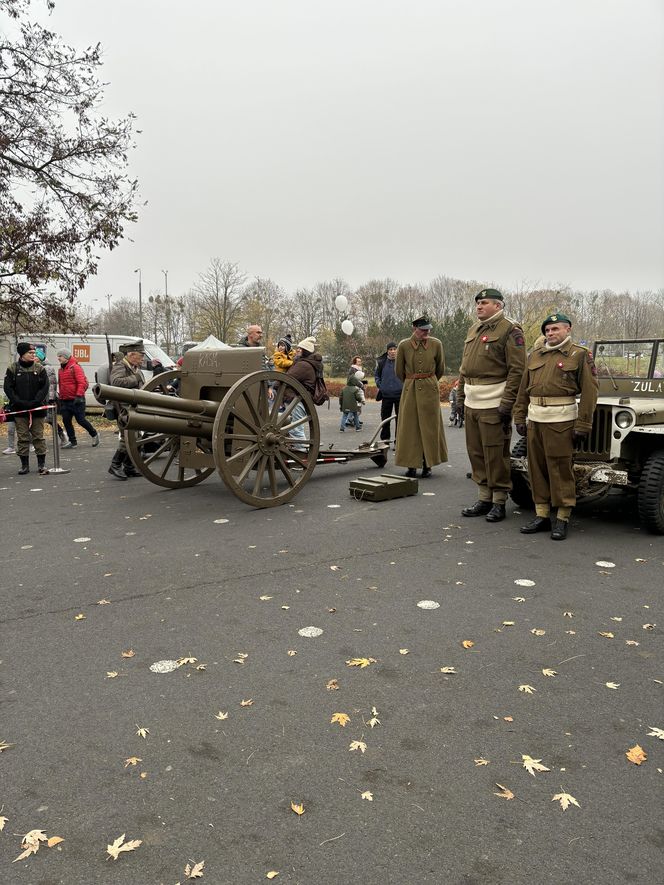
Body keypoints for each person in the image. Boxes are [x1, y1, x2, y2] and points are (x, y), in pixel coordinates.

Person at [513, 313, 599, 541]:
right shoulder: (535, 356)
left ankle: (562, 518)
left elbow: (590, 392)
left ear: (568, 329)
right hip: (536, 420)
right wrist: (519, 416)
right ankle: (541, 515)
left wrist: (583, 423)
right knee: (536, 468)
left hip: (561, 421)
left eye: (555, 329)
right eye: (548, 330)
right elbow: (524, 389)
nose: (551, 334)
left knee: (560, 469)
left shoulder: (579, 355)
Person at [458, 288, 526, 522]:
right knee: (476, 452)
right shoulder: (474, 329)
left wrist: (508, 403)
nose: (478, 306)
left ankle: (498, 501)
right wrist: (460, 398)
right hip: (472, 402)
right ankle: (484, 498)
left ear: (498, 306)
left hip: (494, 402)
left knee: (495, 453)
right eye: (477, 302)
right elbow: (464, 369)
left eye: (484, 302)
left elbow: (517, 370)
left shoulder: (510, 330)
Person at [394, 315, 447, 478]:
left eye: (428, 329)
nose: (427, 332)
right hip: (410, 389)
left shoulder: (436, 344)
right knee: (410, 429)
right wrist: (413, 381)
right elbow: (399, 371)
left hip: (430, 389)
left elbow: (440, 368)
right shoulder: (403, 346)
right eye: (423, 330)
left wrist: (429, 382)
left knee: (430, 429)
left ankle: (427, 464)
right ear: (414, 329)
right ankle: (411, 465)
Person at [3, 342, 50, 475]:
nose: (33, 355)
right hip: (19, 409)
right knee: (23, 437)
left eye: (34, 353)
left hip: (37, 408)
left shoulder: (40, 368)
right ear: (22, 354)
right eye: (30, 353)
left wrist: (36, 401)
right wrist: (18, 401)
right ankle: (24, 465)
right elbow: (8, 388)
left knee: (38, 437)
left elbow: (44, 387)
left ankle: (41, 464)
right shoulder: (13, 368)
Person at [107, 340, 146, 480]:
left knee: (136, 438)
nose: (142, 358)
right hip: (122, 408)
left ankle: (129, 467)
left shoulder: (134, 368)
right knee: (127, 439)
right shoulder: (120, 366)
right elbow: (115, 382)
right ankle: (115, 465)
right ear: (131, 354)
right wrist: (134, 378)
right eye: (140, 355)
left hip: (134, 407)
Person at [284, 337, 321, 455]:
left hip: (298, 400)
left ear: (306, 351)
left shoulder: (304, 365)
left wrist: (270, 385)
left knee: (296, 428)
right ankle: (300, 450)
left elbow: (287, 378)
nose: (297, 350)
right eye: (297, 347)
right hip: (298, 399)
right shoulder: (304, 363)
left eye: (300, 348)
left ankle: (301, 455)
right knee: (294, 427)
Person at [56, 349, 100, 448]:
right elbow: (62, 385)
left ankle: (94, 434)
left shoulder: (75, 367)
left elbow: (81, 382)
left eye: (60, 356)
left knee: (81, 420)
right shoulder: (61, 370)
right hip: (65, 400)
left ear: (66, 357)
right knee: (66, 420)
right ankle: (72, 441)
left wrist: (79, 395)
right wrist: (60, 397)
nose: (58, 358)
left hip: (77, 400)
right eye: (58, 356)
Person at [35, 347, 66, 445]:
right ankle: (34, 441)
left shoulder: (47, 368)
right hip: (38, 398)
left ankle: (62, 434)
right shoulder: (33, 366)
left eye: (36, 356)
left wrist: (51, 399)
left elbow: (52, 384)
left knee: (50, 419)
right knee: (37, 419)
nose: (34, 357)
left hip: (47, 398)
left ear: (40, 358)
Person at [374, 342, 403, 443]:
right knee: (385, 419)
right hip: (386, 395)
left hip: (400, 395)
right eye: (390, 349)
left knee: (400, 420)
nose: (393, 351)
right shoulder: (382, 362)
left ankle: (398, 441)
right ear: (387, 351)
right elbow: (377, 375)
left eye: (394, 349)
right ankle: (385, 441)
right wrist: (380, 385)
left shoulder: (401, 361)